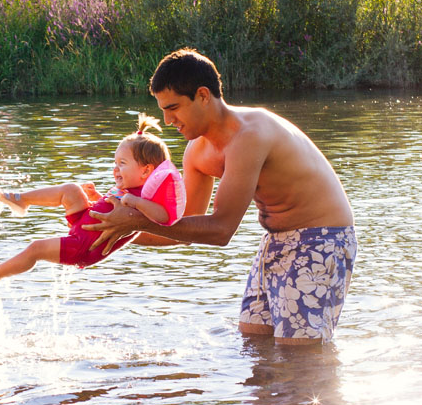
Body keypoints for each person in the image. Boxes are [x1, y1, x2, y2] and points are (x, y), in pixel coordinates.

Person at [84, 48, 356, 346]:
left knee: (299, 356)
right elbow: (182, 228)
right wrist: (107, 229)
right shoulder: (197, 152)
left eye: (173, 107)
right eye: (162, 109)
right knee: (255, 343)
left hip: (322, 240)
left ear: (202, 95)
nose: (167, 119)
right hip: (274, 242)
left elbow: (221, 230)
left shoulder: (250, 135)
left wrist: (133, 221)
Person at [0, 115, 184, 285]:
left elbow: (163, 216)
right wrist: (96, 198)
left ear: (146, 172)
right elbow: (110, 211)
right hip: (85, 223)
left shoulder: (141, 199)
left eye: (122, 164)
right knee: (71, 190)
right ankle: (22, 200)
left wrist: (135, 203)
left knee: (36, 248)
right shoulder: (126, 190)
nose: (115, 169)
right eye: (115, 163)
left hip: (84, 247)